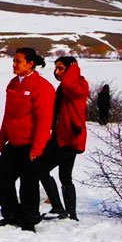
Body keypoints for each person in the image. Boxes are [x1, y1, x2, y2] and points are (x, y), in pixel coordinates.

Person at [0, 47, 55, 232]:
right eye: (13, 61)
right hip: (13, 143)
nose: (14, 64)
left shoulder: (42, 86)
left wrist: (37, 148)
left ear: (30, 63)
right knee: (1, 179)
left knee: (28, 185)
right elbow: (8, 114)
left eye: (18, 61)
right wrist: (2, 137)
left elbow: (44, 121)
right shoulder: (13, 84)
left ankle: (29, 219)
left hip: (32, 144)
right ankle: (11, 215)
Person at [35, 56, 89, 220]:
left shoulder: (78, 85)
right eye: (56, 68)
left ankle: (59, 208)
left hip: (69, 138)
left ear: (71, 70)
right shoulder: (66, 87)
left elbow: (68, 85)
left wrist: (73, 67)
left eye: (61, 68)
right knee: (65, 176)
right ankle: (71, 214)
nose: (56, 72)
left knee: (40, 168)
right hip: (66, 136)